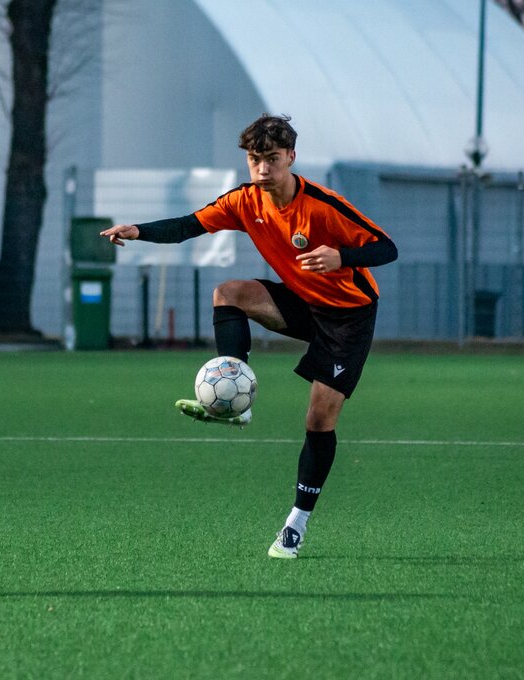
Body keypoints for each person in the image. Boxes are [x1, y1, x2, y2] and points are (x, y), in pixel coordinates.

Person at [100, 114, 397, 559]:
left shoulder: (323, 205)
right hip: (303, 302)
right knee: (229, 293)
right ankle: (236, 399)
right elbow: (188, 226)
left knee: (318, 420)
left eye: (272, 158)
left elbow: (387, 248)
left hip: (347, 317)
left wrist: (341, 257)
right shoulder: (244, 201)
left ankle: (295, 525)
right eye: (255, 159)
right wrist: (138, 230)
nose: (262, 168)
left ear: (291, 157)